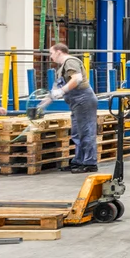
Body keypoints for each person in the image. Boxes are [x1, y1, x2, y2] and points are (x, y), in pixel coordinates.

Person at [48, 43, 98, 173]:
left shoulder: (70, 62)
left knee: (86, 132)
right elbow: (56, 88)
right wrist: (43, 103)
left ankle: (90, 163)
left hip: (83, 100)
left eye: (51, 53)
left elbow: (77, 79)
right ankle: (78, 161)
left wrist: (62, 91)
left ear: (59, 52)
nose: (50, 56)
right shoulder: (62, 68)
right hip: (76, 102)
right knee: (77, 132)